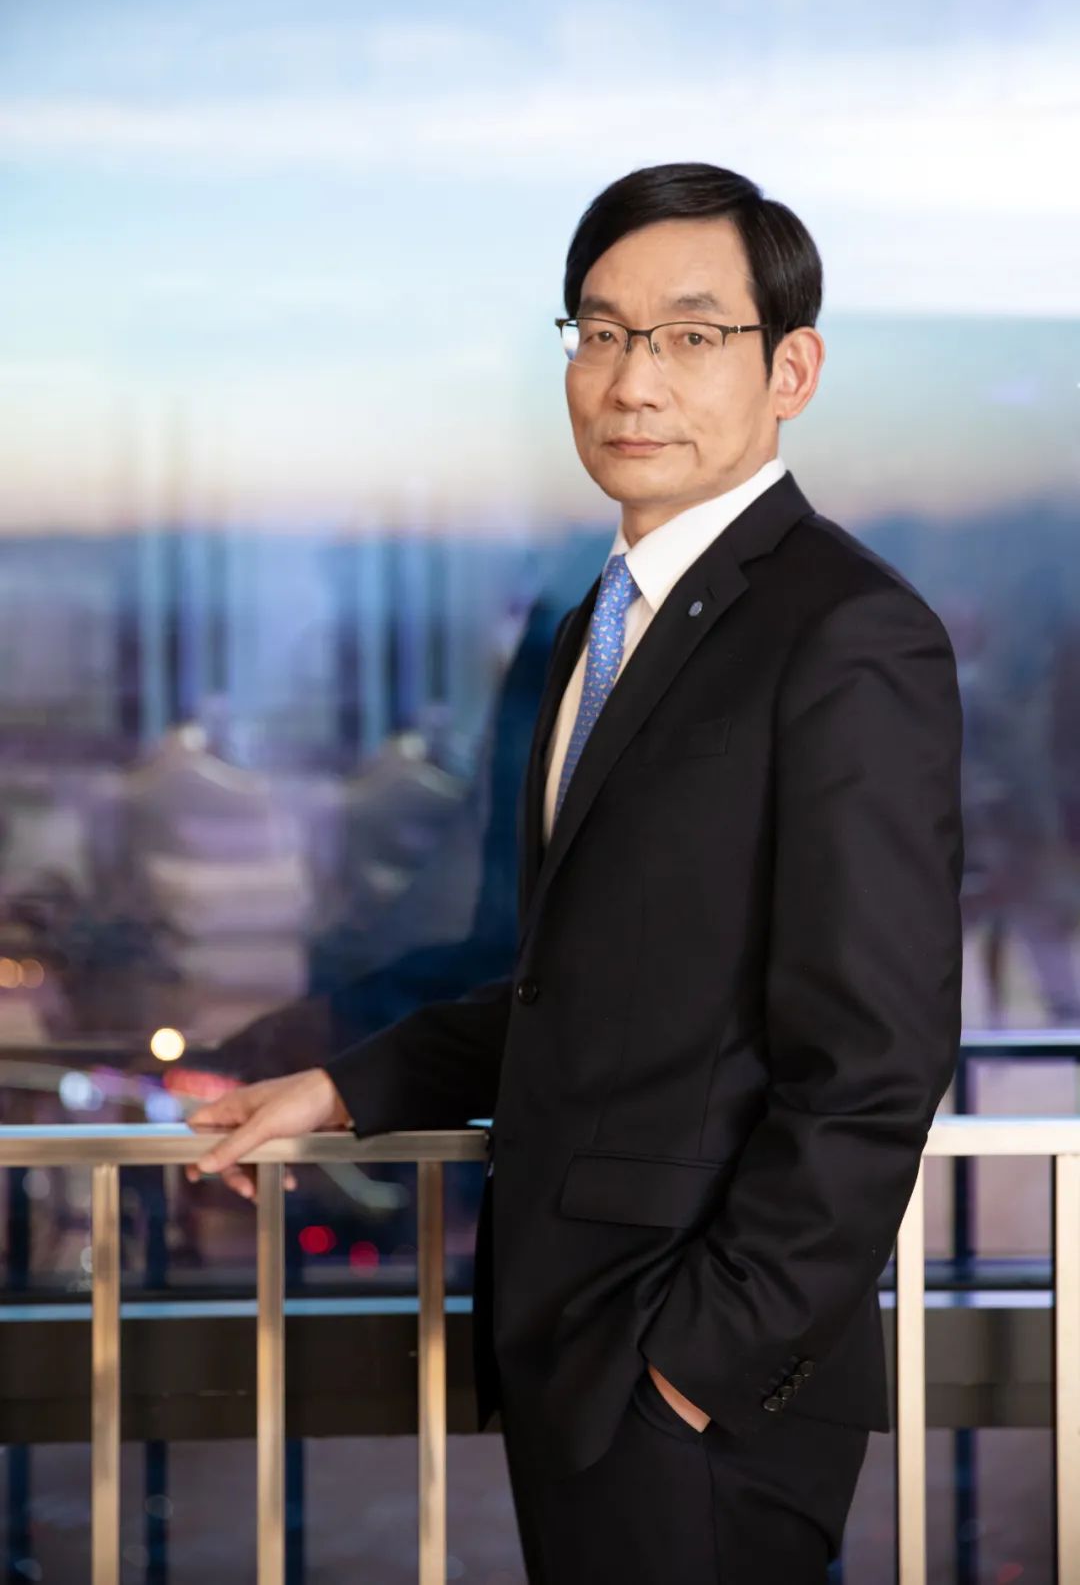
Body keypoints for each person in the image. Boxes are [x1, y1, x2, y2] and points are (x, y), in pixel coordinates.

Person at [188, 162, 964, 1584]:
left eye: (689, 335)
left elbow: (876, 1059)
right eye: (600, 333)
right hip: (578, 1346)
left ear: (792, 370)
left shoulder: (847, 631)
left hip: (697, 1386)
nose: (631, 380)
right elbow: (582, 978)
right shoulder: (598, 628)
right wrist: (351, 1085)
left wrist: (697, 1365)